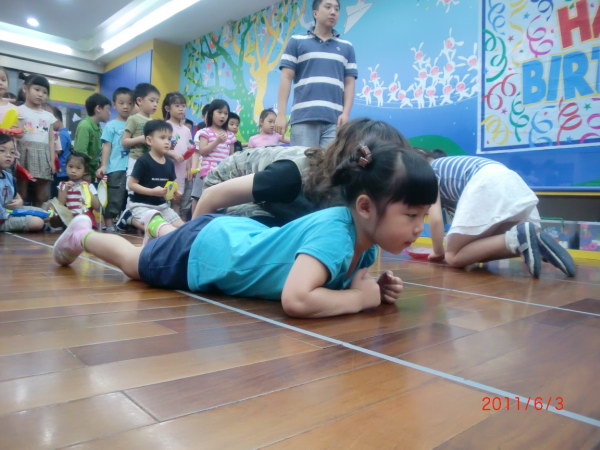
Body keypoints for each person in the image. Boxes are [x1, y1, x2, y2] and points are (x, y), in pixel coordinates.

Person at [53, 143, 438, 318]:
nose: (419, 227)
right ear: (366, 207)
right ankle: (81, 234)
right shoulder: (336, 231)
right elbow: (298, 300)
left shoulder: (366, 244)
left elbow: (348, 283)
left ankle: (160, 230)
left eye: (424, 215)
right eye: (411, 215)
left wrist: (374, 288)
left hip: (229, 238)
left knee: (152, 252)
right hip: (206, 251)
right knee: (135, 264)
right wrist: (360, 300)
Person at [194, 118, 410, 226]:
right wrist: (187, 244)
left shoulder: (352, 195)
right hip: (225, 183)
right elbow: (211, 196)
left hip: (276, 200)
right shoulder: (293, 174)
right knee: (266, 237)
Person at [426, 153, 577, 278]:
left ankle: (517, 238)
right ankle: (532, 242)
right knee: (476, 250)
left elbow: (436, 219)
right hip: (510, 181)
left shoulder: (428, 172)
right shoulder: (447, 169)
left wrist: (438, 252)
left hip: (485, 182)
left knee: (453, 256)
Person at [275, 0, 356, 147]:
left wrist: (346, 114)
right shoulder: (296, 41)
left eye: (337, 9)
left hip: (335, 121)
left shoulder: (347, 47)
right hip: (303, 119)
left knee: (330, 162)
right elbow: (286, 77)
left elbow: (349, 83)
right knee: (302, 162)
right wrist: (281, 114)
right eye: (328, 7)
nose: (333, 12)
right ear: (315, 13)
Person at [125, 119, 184, 233]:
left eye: (169, 138)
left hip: (162, 206)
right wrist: (152, 192)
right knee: (160, 229)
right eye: (162, 138)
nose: (167, 142)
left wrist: (175, 193)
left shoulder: (170, 163)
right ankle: (130, 218)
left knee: (182, 228)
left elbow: (171, 186)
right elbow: (131, 185)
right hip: (141, 205)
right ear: (149, 140)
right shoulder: (143, 161)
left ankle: (141, 221)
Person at [96, 87, 133, 232]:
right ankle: (109, 223)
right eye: (121, 103)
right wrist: (104, 165)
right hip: (116, 167)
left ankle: (123, 222)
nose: (125, 106)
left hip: (131, 167)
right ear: (114, 105)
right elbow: (107, 146)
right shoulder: (111, 125)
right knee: (114, 196)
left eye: (129, 103)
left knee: (128, 196)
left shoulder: (134, 124)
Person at [16, 74, 56, 205]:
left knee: (42, 195)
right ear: (25, 89)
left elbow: (51, 140)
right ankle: (20, 216)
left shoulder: (49, 116)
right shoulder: (17, 110)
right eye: (37, 89)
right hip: (23, 153)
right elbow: (14, 135)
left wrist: (52, 161)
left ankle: (41, 216)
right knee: (21, 192)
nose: (40, 94)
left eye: (44, 92)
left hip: (43, 155)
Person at [190, 99, 236, 211]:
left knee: (219, 201)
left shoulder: (230, 135)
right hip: (207, 172)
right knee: (200, 198)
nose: (223, 116)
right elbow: (202, 151)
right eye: (219, 112)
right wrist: (217, 141)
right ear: (211, 114)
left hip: (223, 173)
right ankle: (196, 219)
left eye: (226, 113)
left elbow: (232, 156)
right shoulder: (205, 132)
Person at [0, 133, 47, 232]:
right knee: (37, 222)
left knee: (44, 213)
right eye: (2, 150)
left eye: (12, 152)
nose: (8, 155)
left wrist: (19, 201)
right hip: (2, 219)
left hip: (10, 212)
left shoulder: (8, 176)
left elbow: (14, 194)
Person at [48, 152, 101, 228]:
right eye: (70, 166)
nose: (73, 171)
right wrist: (66, 189)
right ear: (65, 167)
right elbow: (60, 204)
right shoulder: (62, 185)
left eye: (78, 168)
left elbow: (97, 206)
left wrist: (87, 190)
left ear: (85, 171)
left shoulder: (89, 185)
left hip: (85, 219)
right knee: (51, 209)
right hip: (69, 220)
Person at [162, 91, 193, 219]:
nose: (181, 109)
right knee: (165, 199)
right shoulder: (165, 126)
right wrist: (173, 154)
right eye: (177, 106)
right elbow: (159, 148)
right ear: (168, 108)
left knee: (177, 199)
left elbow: (190, 150)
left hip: (181, 171)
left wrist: (189, 168)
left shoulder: (186, 130)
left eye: (183, 106)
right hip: (167, 169)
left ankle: (175, 225)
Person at [73, 93, 111, 179]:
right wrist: (86, 174)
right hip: (84, 174)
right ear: (98, 108)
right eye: (108, 109)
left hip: (93, 173)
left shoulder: (99, 128)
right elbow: (80, 153)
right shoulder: (85, 126)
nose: (109, 113)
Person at [49, 106, 72, 198]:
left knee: (57, 197)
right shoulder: (64, 133)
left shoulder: (61, 134)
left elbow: (58, 151)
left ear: (57, 120)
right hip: (61, 172)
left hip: (60, 173)